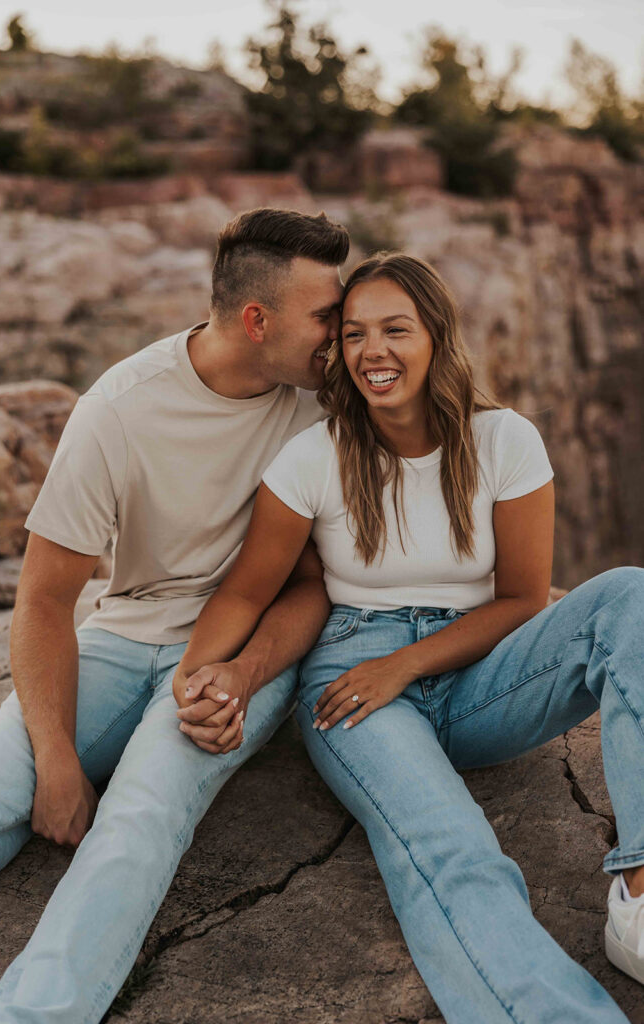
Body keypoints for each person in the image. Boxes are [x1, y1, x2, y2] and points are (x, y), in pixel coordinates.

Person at [174, 253, 643, 1023]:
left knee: (628, 593)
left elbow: (525, 598)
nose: (372, 351)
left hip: (481, 669)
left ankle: (637, 895)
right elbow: (248, 589)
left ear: (436, 336)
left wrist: (409, 664)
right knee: (456, 852)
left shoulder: (504, 441)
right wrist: (200, 674)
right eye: (354, 334)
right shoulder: (312, 457)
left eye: (395, 329)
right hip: (351, 681)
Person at [0, 207, 348, 1023]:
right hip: (120, 634)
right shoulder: (121, 406)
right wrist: (58, 759)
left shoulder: (321, 409)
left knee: (140, 815)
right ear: (257, 319)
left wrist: (242, 675)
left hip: (237, 651)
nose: (338, 334)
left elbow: (310, 584)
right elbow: (41, 601)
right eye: (324, 314)